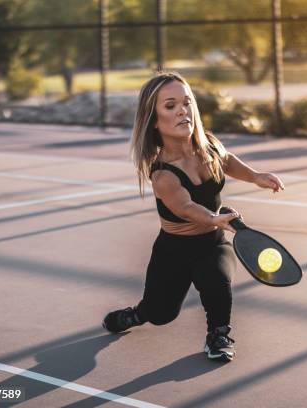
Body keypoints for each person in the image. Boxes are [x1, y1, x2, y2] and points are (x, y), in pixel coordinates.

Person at [102, 72, 285, 362]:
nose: (182, 111)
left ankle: (218, 335)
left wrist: (256, 176)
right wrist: (214, 217)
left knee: (217, 280)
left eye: (186, 102)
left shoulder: (208, 144)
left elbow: (225, 160)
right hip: (174, 250)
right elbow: (186, 208)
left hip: (212, 241)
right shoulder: (163, 173)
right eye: (170, 106)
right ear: (154, 118)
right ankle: (138, 314)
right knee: (161, 314)